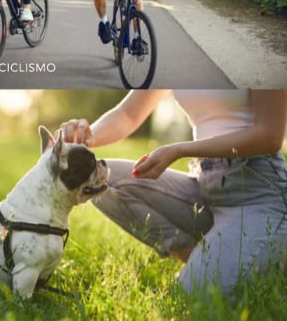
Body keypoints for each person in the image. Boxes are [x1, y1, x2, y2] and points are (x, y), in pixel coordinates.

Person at [58, 90, 287, 298]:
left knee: (190, 298)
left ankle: (269, 257)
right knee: (103, 181)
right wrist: (83, 138)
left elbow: (269, 136)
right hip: (206, 185)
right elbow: (127, 114)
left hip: (259, 193)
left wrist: (180, 149)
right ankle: (202, 256)